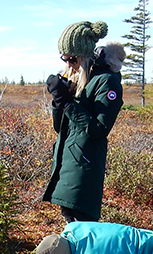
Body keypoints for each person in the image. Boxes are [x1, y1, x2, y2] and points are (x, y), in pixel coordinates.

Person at [43, 21, 126, 223]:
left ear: (84, 55)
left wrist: (68, 102)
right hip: (67, 162)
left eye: (72, 58)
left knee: (83, 224)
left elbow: (98, 129)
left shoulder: (107, 81)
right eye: (63, 58)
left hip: (84, 166)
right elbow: (60, 128)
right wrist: (58, 101)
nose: (68, 63)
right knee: (70, 221)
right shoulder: (81, 79)